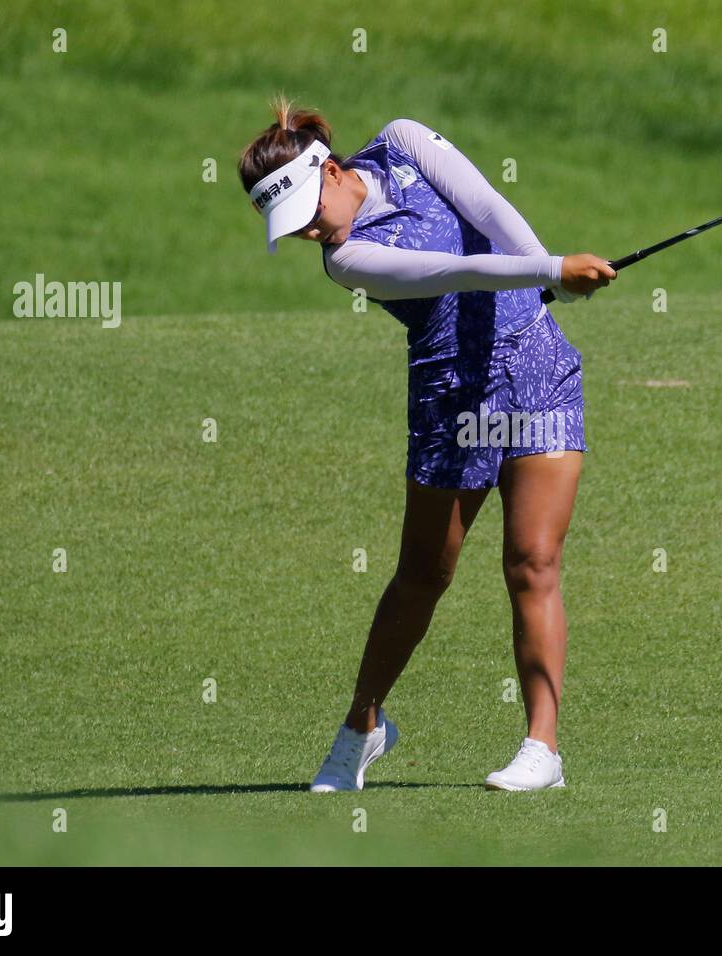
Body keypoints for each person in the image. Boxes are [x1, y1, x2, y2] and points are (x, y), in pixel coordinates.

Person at [238, 98, 616, 792]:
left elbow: (488, 206)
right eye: (291, 232)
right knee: (423, 578)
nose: (310, 235)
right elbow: (449, 271)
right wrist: (552, 270)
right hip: (453, 399)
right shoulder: (348, 260)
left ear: (328, 171)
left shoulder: (405, 141)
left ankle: (542, 749)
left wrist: (544, 272)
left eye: (306, 216)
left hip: (538, 368)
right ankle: (363, 725)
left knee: (533, 563)